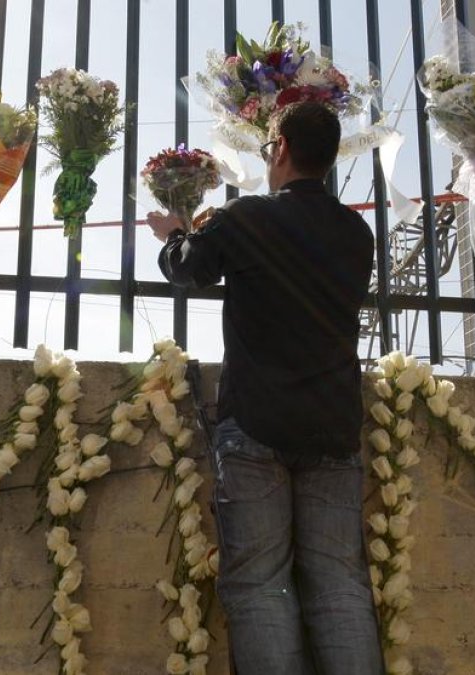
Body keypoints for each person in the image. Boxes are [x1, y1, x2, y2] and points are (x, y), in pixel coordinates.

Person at [146, 101, 382, 675]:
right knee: (339, 584)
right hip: (332, 427)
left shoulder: (248, 217)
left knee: (258, 585)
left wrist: (176, 232)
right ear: (328, 159)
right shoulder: (357, 233)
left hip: (255, 423)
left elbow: (188, 269)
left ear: (279, 149)